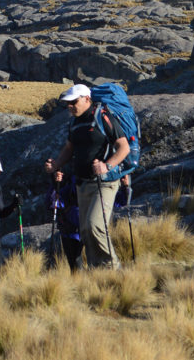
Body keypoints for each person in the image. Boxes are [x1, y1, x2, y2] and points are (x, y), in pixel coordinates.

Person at [44, 84, 130, 269]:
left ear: (86, 99)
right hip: (82, 184)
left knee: (95, 226)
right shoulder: (74, 123)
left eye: (74, 102)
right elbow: (69, 149)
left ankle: (113, 269)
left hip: (104, 183)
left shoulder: (103, 117)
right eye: (68, 103)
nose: (70, 106)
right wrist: (56, 164)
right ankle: (96, 272)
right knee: (85, 231)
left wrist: (107, 166)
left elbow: (124, 147)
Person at [46, 171, 84, 272]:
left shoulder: (73, 180)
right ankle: (78, 281)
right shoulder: (56, 185)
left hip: (76, 224)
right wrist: (55, 185)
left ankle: (81, 281)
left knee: (77, 259)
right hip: (66, 227)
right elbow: (49, 203)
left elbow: (74, 194)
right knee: (72, 261)